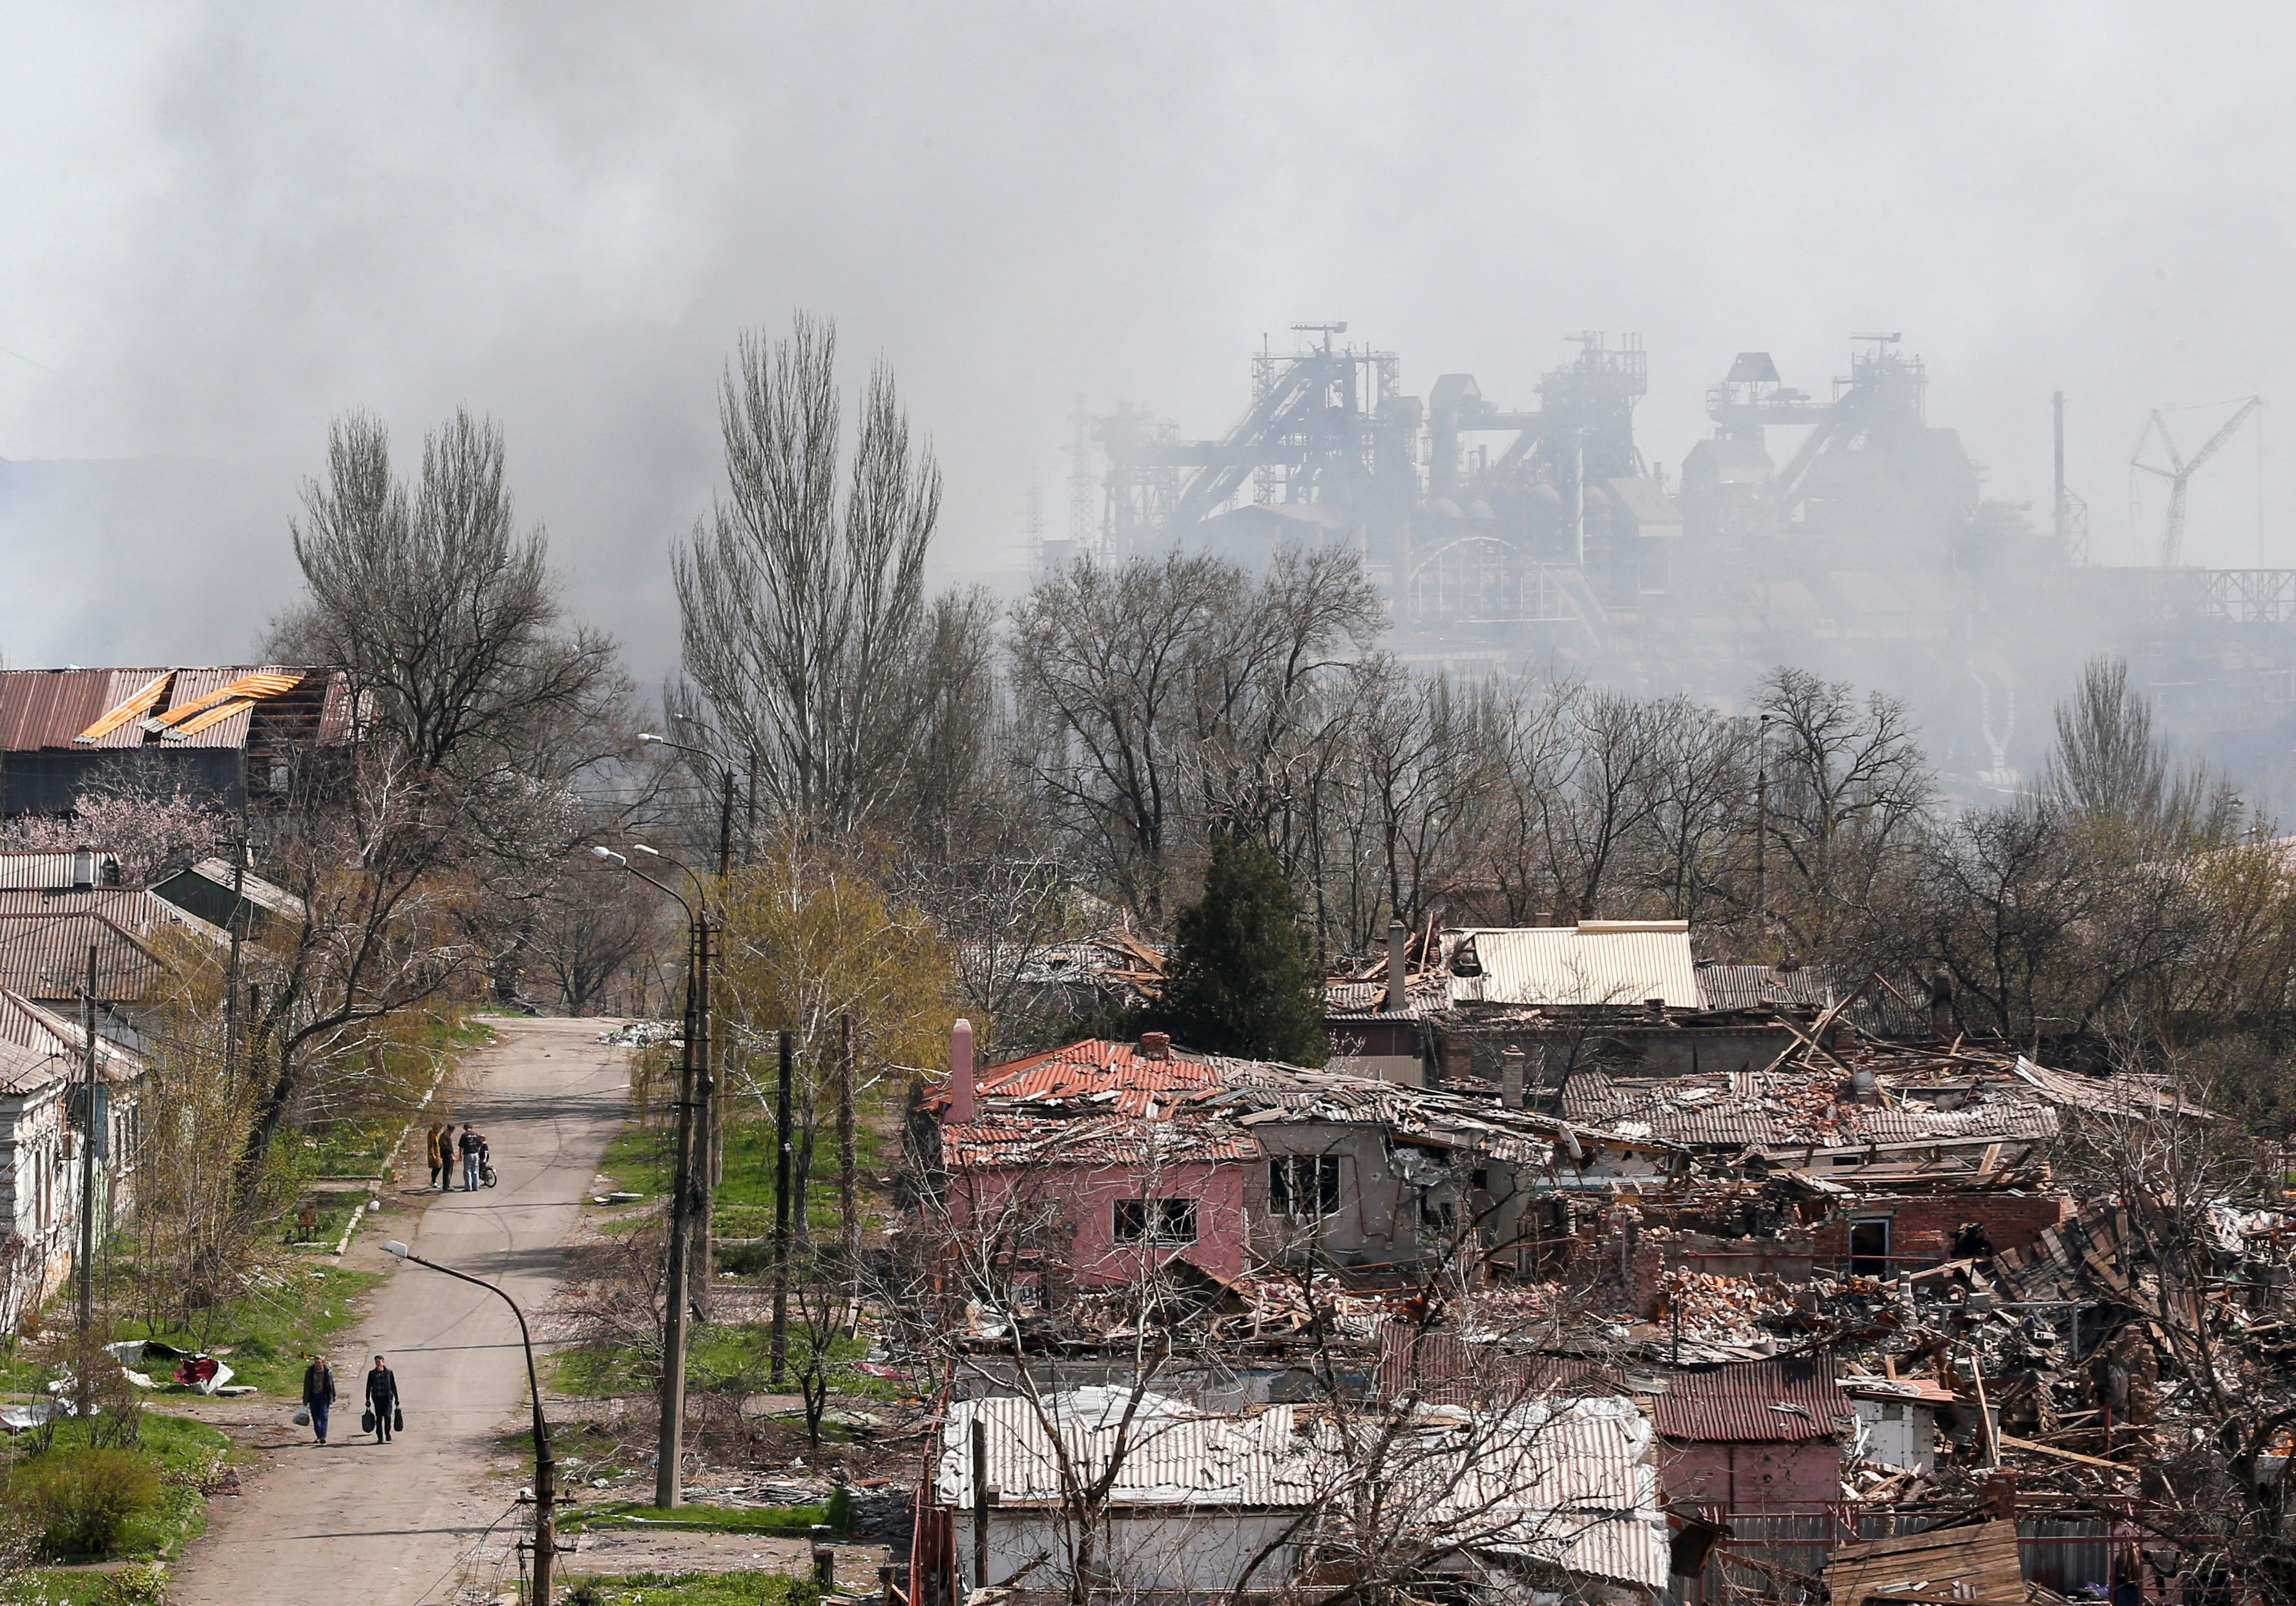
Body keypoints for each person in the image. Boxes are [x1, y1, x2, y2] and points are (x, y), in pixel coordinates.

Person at [302, 1353, 337, 1445]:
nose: (317, 1364)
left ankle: (323, 1436)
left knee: (324, 1416)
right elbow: (306, 1386)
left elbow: (331, 1385)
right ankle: (319, 1435)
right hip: (313, 1396)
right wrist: (305, 1399)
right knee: (315, 1417)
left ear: (323, 1363)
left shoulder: (327, 1372)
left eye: (319, 1363)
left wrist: (333, 1396)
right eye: (316, 1362)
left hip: (324, 1396)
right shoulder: (310, 1372)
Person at [365, 1355, 401, 1443]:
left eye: (380, 1361)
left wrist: (397, 1398)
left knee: (388, 1417)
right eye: (377, 1362)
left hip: (387, 1399)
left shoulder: (389, 1373)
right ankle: (380, 1437)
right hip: (377, 1399)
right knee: (379, 1418)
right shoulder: (372, 1374)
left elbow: (393, 1386)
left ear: (383, 1362)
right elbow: (368, 1387)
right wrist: (368, 1399)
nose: (378, 1363)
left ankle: (387, 1433)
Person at [459, 1123, 486, 1191]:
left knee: (468, 1171)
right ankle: (476, 1186)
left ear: (465, 1128)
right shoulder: (476, 1134)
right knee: (475, 1171)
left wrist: (460, 1155)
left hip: (468, 1154)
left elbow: (461, 1146)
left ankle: (468, 1187)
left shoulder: (464, 1135)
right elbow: (480, 1144)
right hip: (475, 1154)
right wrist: (478, 1151)